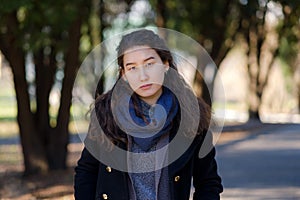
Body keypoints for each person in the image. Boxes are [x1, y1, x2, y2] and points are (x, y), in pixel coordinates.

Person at [74, 29, 223, 200]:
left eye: (149, 64)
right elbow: (86, 172)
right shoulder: (106, 113)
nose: (143, 76)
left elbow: (208, 183)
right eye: (132, 68)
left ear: (166, 64)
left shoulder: (191, 115)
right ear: (123, 74)